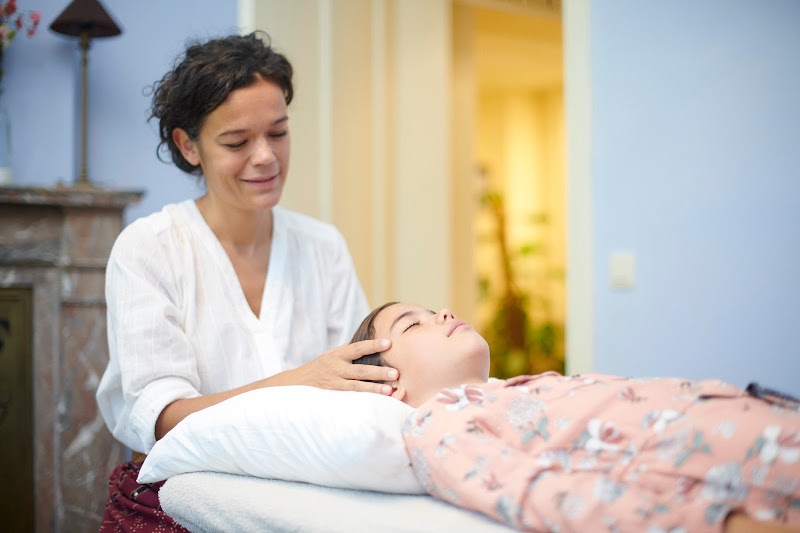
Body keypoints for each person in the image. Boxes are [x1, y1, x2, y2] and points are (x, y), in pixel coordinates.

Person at [96, 32, 398, 531]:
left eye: (278, 133)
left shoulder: (322, 247)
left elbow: (358, 379)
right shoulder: (150, 248)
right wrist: (300, 380)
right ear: (188, 145)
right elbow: (162, 419)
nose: (266, 157)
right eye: (237, 142)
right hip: (183, 500)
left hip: (307, 492)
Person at [352, 302, 800, 533]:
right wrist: (731, 526)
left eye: (431, 310)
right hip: (760, 479)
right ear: (390, 385)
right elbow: (561, 498)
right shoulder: (437, 427)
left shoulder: (507, 393)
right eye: (413, 324)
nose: (444, 313)